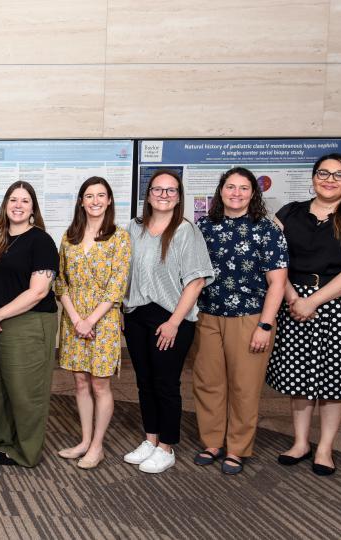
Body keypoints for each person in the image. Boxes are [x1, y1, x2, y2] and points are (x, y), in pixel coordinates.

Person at [267, 153, 341, 476]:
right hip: (295, 300)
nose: (329, 179)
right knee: (299, 376)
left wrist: (314, 301)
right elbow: (273, 258)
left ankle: (325, 447)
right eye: (323, 173)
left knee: (336, 378)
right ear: (313, 177)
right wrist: (293, 297)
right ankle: (301, 442)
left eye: (338, 175)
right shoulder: (289, 213)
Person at [192, 167, 289, 475]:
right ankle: (212, 442)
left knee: (244, 386)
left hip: (250, 318)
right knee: (208, 382)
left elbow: (277, 282)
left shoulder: (266, 228)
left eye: (243, 188)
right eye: (230, 187)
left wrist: (266, 325)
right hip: (207, 315)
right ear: (220, 191)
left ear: (253, 193)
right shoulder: (204, 226)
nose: (236, 193)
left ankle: (237, 448)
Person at [121, 170, 214, 474]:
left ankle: (167, 446)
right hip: (137, 315)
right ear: (148, 194)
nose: (164, 195)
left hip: (171, 318)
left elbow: (196, 281)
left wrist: (174, 321)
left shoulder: (186, 231)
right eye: (158, 190)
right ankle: (150, 439)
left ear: (179, 196)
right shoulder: (134, 228)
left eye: (170, 191)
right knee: (144, 382)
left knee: (165, 384)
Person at [0, 181, 59, 468]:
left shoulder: (41, 241)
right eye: (13, 199)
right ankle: (3, 443)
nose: (18, 205)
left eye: (25, 201)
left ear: (33, 208)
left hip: (27, 323)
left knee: (25, 392)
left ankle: (26, 451)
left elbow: (39, 291)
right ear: (5, 204)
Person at [53, 177, 131, 470]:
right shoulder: (69, 236)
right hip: (73, 318)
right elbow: (60, 281)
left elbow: (116, 286)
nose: (95, 201)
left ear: (110, 200)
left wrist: (90, 320)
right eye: (89, 195)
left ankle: (97, 446)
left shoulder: (119, 237)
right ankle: (85, 441)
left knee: (100, 384)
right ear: (81, 201)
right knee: (80, 382)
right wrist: (76, 318)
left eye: (101, 195)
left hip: (104, 319)